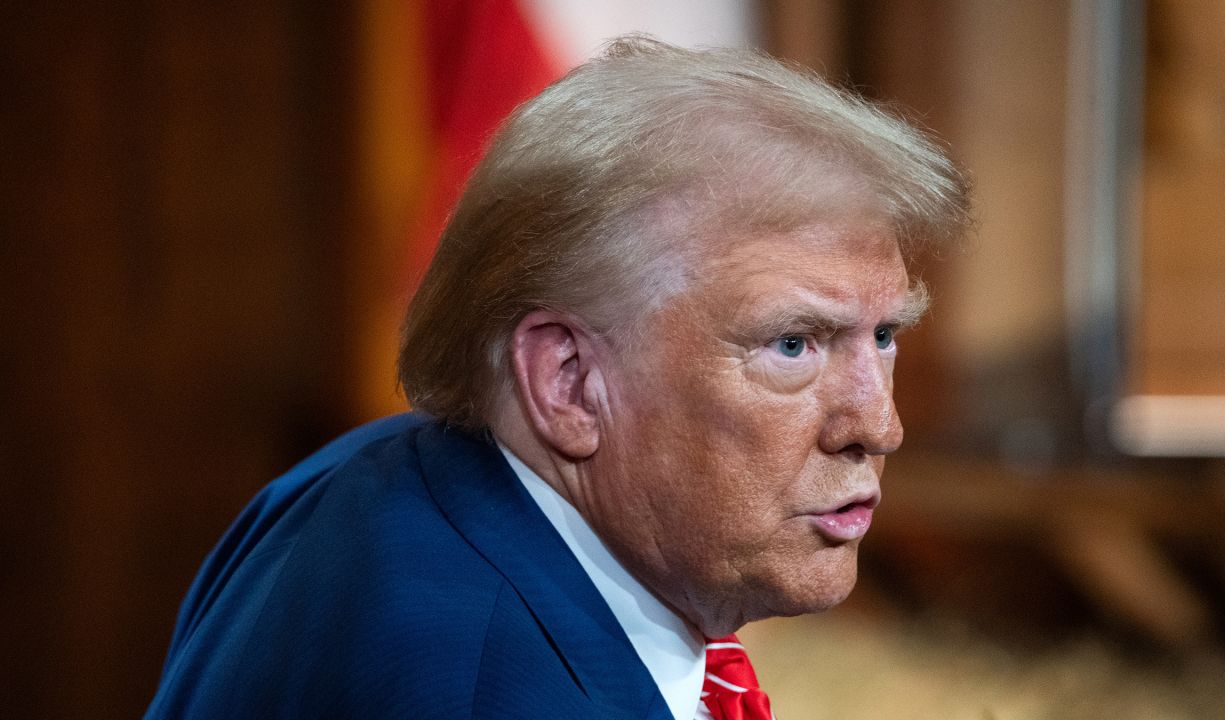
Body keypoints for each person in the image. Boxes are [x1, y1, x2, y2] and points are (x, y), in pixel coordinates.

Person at [145, 36, 969, 720]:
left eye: (886, 333)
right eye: (794, 345)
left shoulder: (362, 481)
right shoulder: (485, 687)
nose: (878, 424)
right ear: (568, 381)